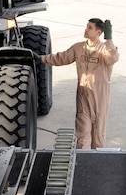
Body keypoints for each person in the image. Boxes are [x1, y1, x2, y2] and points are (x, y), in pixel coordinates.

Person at [35, 19, 119, 149]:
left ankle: (97, 163)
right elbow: (61, 57)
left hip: (100, 99)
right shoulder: (79, 48)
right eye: (86, 26)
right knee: (82, 138)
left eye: (90, 27)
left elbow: (112, 58)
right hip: (83, 99)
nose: (86, 29)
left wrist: (109, 39)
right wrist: (41, 58)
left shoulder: (104, 49)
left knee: (98, 138)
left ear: (99, 32)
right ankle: (82, 164)